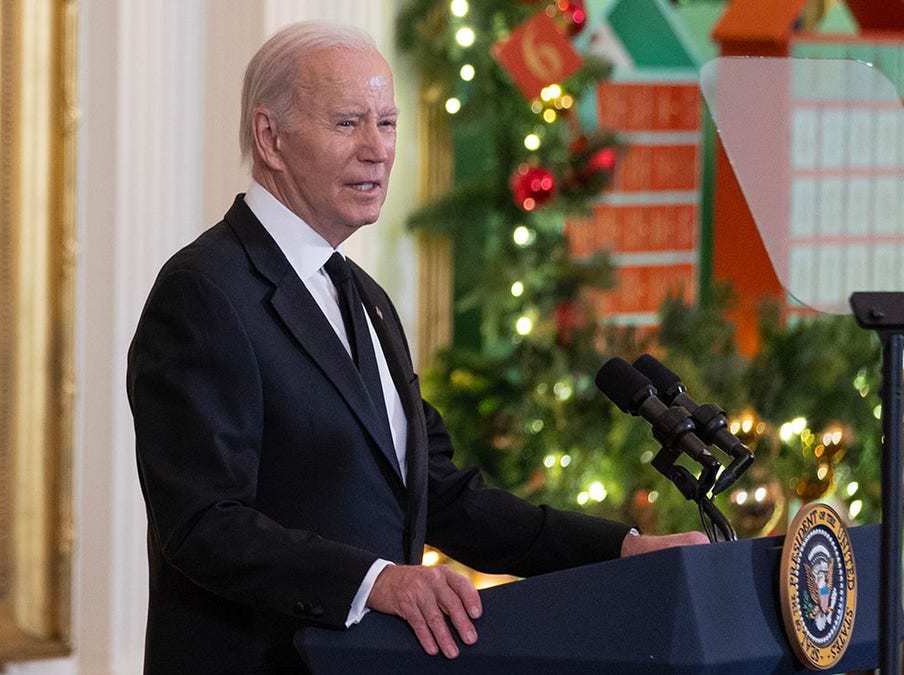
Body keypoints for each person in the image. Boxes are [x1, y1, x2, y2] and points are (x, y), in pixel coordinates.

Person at [127, 21, 708, 674]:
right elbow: (204, 523)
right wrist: (375, 581)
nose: (377, 150)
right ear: (271, 138)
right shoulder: (205, 291)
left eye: (388, 123)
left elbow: (443, 498)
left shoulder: (366, 298)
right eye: (348, 123)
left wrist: (623, 550)